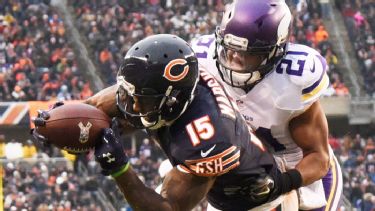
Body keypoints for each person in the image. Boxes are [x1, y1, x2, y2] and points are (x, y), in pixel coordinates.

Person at [32, 34, 301, 210]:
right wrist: (53, 119)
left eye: (144, 100)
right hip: (203, 170)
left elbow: (167, 208)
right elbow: (93, 108)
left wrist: (120, 169)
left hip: (248, 200)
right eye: (130, 93)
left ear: (173, 100)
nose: (133, 106)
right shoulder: (159, 88)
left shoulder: (208, 140)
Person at [190, 0, 343, 210]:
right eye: (229, 48)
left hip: (298, 171)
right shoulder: (203, 60)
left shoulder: (293, 79)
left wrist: (282, 184)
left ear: (274, 52)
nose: (234, 57)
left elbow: (318, 158)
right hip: (242, 170)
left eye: (247, 52)